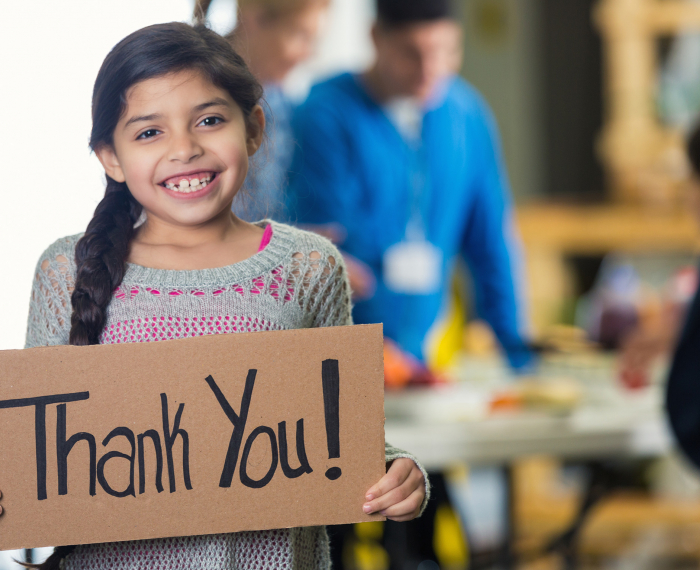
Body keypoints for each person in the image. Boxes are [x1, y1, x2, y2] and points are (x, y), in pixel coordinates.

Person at [6, 22, 427, 570]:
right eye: (148, 132)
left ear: (253, 128)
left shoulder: (309, 268)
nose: (185, 149)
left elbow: (343, 440)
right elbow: (37, 460)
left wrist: (397, 474)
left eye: (209, 120)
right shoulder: (65, 271)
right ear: (110, 157)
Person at [286, 0, 534, 372]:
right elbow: (322, 247)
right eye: (411, 54)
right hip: (337, 355)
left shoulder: (466, 115)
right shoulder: (325, 113)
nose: (429, 71)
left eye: (444, 52)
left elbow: (491, 243)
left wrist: (516, 353)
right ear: (375, 38)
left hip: (422, 355)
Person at [194, 0, 330, 221]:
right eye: (300, 35)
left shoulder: (281, 102)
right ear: (254, 20)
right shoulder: (200, 95)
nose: (308, 53)